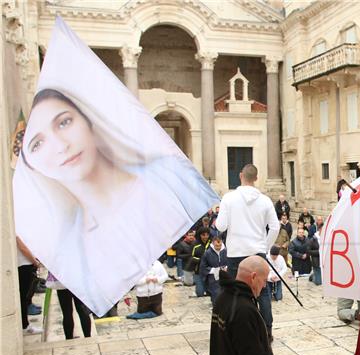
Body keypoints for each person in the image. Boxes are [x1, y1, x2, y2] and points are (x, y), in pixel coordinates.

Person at [16, 88, 217, 315]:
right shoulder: (69, 235)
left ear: (89, 121)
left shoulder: (166, 179)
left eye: (64, 122)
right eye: (37, 144)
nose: (60, 145)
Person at [214, 164, 280, 339]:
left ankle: (241, 328)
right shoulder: (265, 200)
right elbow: (275, 227)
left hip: (236, 252)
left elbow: (221, 226)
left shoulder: (228, 198)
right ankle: (267, 330)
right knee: (263, 292)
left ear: (240, 175)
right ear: (256, 178)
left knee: (238, 291)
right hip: (257, 252)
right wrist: (264, 247)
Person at [47, 273, 92, 339]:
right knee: (83, 312)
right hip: (77, 281)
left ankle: (69, 339)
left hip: (62, 282)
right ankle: (88, 337)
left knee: (67, 313)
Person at [17, 237, 42, 335]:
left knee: (24, 298)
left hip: (24, 265)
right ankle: (25, 326)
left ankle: (25, 324)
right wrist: (35, 262)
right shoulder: (16, 230)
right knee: (24, 298)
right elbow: (23, 248)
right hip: (24, 266)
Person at [199, 235, 227, 303]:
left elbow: (230, 262)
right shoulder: (207, 253)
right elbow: (203, 267)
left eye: (220, 245)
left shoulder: (226, 251)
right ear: (212, 243)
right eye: (216, 246)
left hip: (225, 275)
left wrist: (226, 267)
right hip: (213, 276)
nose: (218, 247)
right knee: (216, 293)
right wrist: (214, 270)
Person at [190, 228, 211, 296]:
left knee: (210, 292)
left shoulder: (211, 243)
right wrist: (201, 260)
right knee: (200, 293)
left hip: (209, 271)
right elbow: (191, 257)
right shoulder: (195, 244)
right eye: (203, 235)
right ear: (199, 235)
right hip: (198, 270)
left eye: (207, 235)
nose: (205, 237)